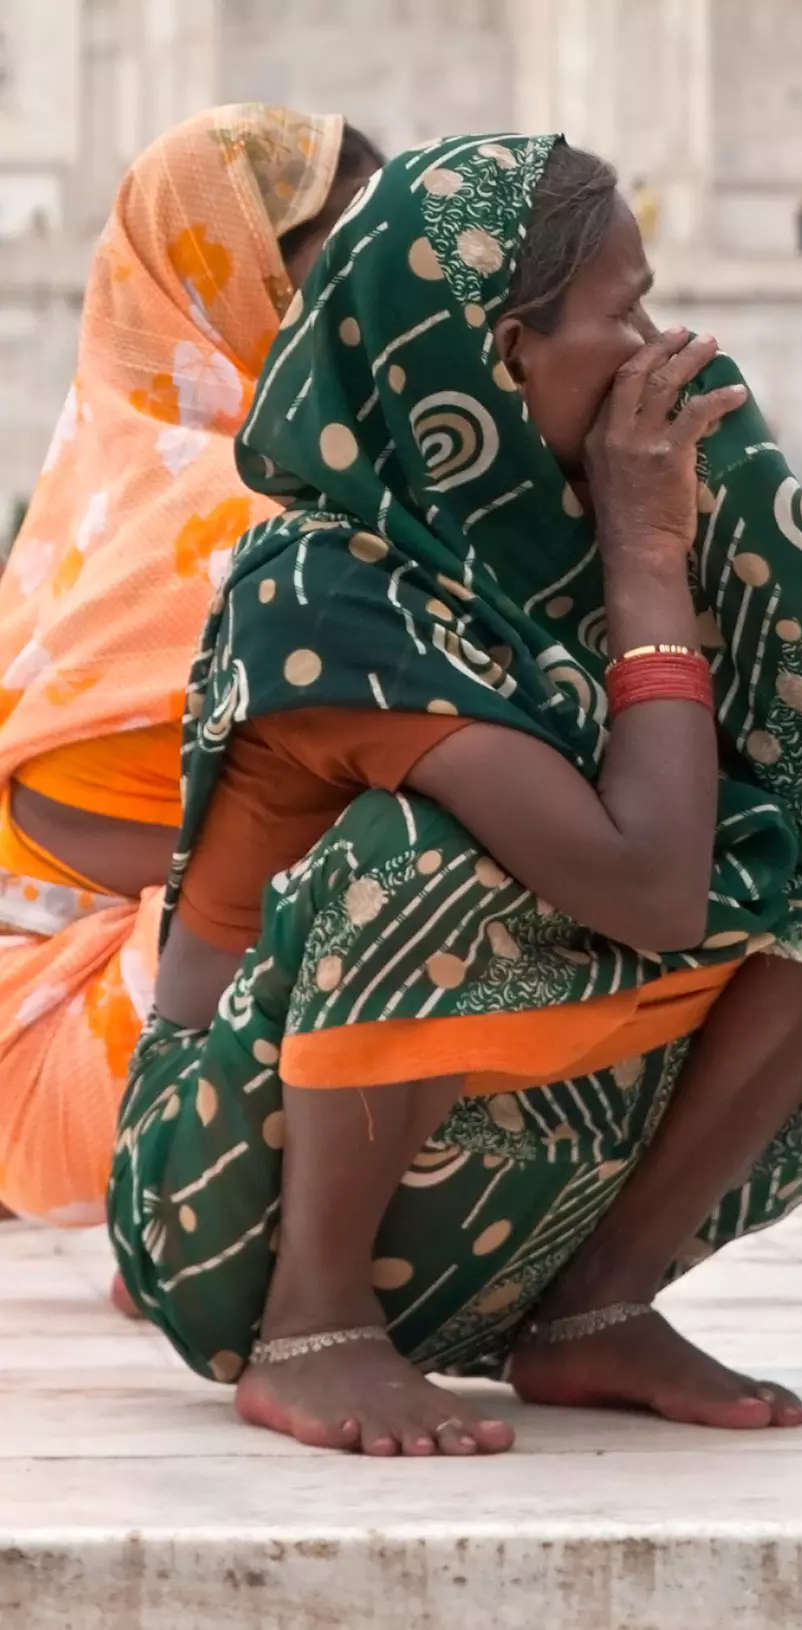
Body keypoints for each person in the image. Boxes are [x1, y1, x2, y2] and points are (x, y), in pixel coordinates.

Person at [109, 134, 802, 1458]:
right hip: (223, 1204)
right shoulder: (323, 585)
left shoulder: (516, 549)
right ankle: (312, 1329)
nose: (657, 344)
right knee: (425, 849)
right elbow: (645, 885)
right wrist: (645, 562)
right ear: (503, 357)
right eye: (622, 313)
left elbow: (778, 789)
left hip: (485, 1186)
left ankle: (594, 1306)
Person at [0, 104, 382, 1227]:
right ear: (236, 283)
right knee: (392, 885)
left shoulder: (160, 471)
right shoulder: (213, 503)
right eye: (336, 266)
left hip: (115, 995)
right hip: (53, 1034)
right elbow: (52, 809)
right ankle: (194, 1233)